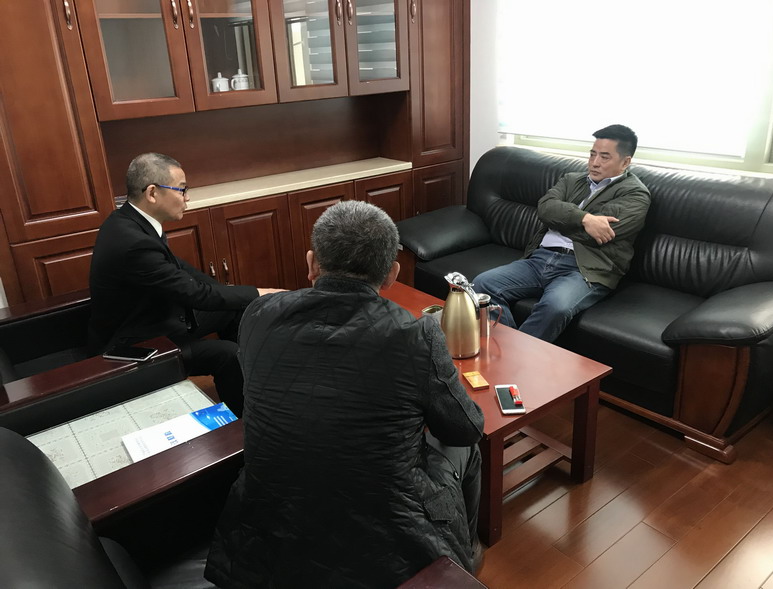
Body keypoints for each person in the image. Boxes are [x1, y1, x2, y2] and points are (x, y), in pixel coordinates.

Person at [204, 201, 485, 588]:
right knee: (467, 448)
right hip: (390, 540)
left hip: (266, 527)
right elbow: (466, 428)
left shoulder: (257, 315)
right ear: (392, 274)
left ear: (311, 263)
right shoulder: (416, 334)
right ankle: (465, 555)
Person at [89, 153, 280, 416]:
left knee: (235, 309)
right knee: (227, 354)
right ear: (152, 193)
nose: (187, 197)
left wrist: (226, 291)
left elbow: (181, 270)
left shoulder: (129, 221)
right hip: (136, 343)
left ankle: (255, 391)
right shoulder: (133, 242)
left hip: (157, 319)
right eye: (182, 189)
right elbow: (194, 294)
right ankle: (245, 423)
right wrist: (259, 292)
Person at [473, 124, 651, 342]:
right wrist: (585, 219)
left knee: (555, 306)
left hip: (584, 270)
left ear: (625, 162)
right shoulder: (571, 180)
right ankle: (506, 349)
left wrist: (561, 220)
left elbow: (600, 235)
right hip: (539, 259)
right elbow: (545, 209)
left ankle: (513, 357)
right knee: (482, 285)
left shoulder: (636, 195)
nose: (594, 163)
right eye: (592, 154)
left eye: (605, 157)